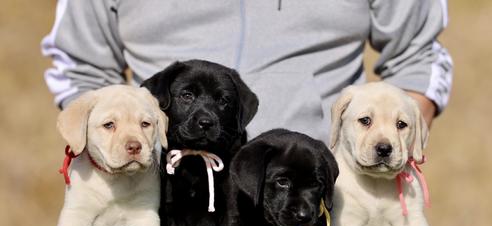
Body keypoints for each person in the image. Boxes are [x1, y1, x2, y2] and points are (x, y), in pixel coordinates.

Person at [42, 0, 451, 143]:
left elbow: (419, 61)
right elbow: (80, 69)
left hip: (322, 214)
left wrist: (379, 167)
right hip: (163, 215)